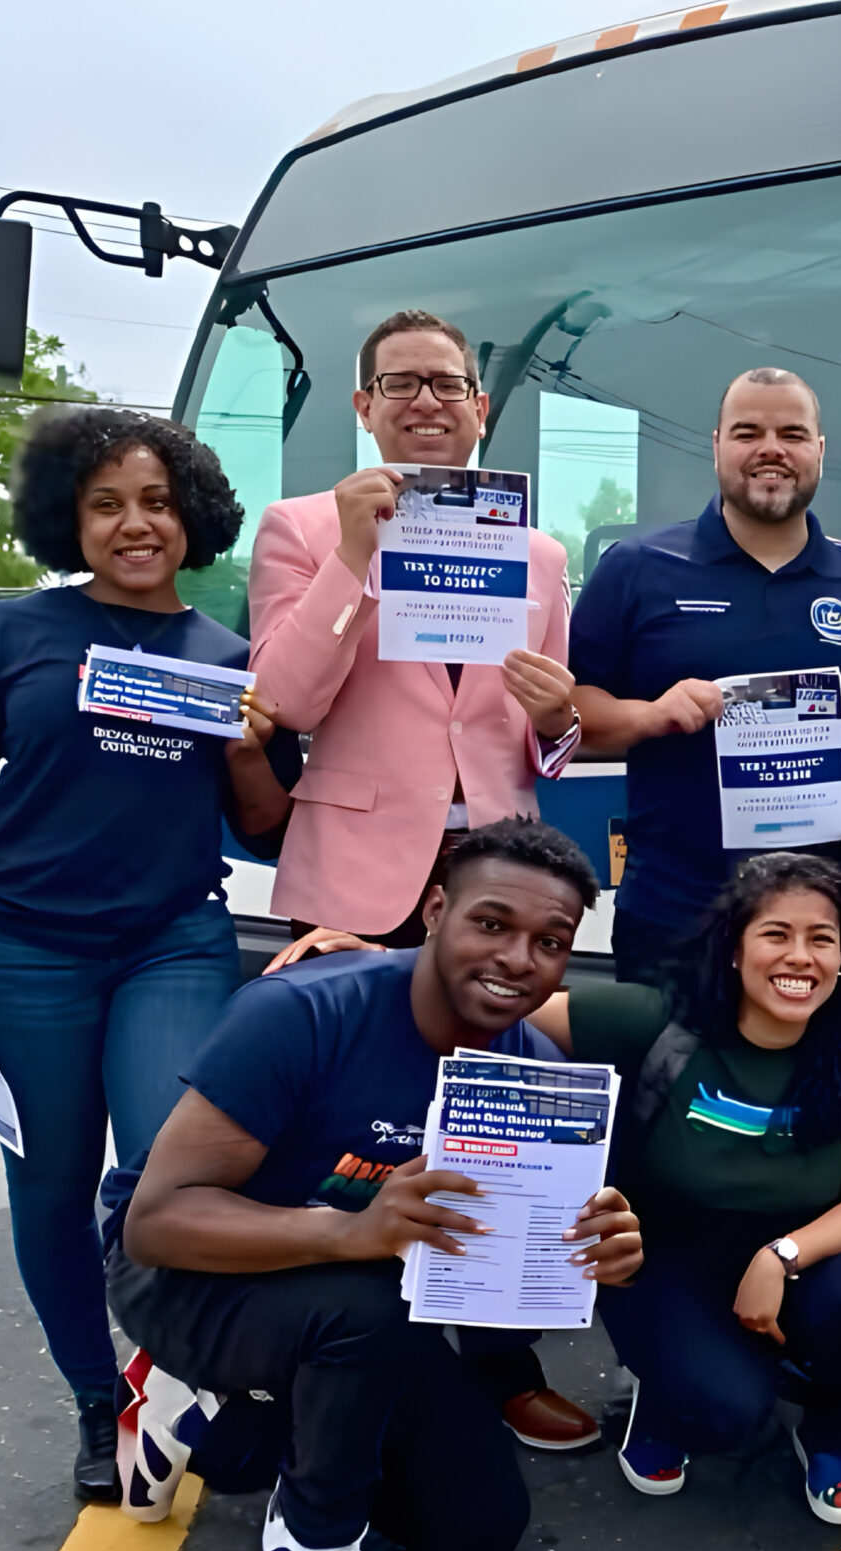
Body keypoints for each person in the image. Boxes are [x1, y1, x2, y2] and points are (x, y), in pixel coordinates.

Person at [109, 819, 643, 1551]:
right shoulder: (302, 1012)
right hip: (188, 1275)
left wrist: (585, 1254)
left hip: (354, 1295)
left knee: (477, 1526)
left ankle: (215, 1423)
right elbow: (156, 1222)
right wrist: (352, 1230)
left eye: (550, 941)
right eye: (491, 923)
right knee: (372, 1303)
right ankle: (315, 1536)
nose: (516, 958)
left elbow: (488, 1271)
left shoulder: (529, 1068)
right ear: (435, 910)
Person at [0, 408, 297, 1500]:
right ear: (67, 520)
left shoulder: (229, 660)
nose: (136, 524)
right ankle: (98, 1394)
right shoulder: (10, 634)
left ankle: (188, 1371)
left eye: (157, 502)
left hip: (170, 942)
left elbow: (267, 827)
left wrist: (251, 746)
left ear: (193, 518)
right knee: (51, 1183)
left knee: (164, 1171)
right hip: (20, 945)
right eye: (107, 504)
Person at [245, 308, 597, 1454]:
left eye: (446, 382)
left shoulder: (537, 552)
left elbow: (541, 734)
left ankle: (500, 1356)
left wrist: (559, 724)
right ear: (363, 407)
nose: (426, 401)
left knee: (496, 1121)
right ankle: (309, 1355)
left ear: (481, 405)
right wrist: (353, 554)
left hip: (492, 866)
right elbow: (282, 703)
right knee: (329, 1120)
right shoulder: (301, 528)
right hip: (357, 867)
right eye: (399, 384)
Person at [526, 853, 841, 1522]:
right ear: (734, 950)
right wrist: (383, 964)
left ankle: (828, 1433)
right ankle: (665, 1398)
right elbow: (503, 1003)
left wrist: (782, 1255)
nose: (800, 957)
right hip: (668, 1255)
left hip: (802, 1257)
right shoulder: (661, 1020)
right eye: (776, 934)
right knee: (726, 1412)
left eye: (821, 938)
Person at [568, 368, 841, 983]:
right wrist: (650, 714)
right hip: (677, 910)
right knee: (667, 1078)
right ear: (718, 444)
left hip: (822, 921)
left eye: (792, 433)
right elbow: (572, 715)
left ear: (819, 451)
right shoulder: (638, 570)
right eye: (749, 432)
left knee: (822, 1079)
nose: (771, 449)